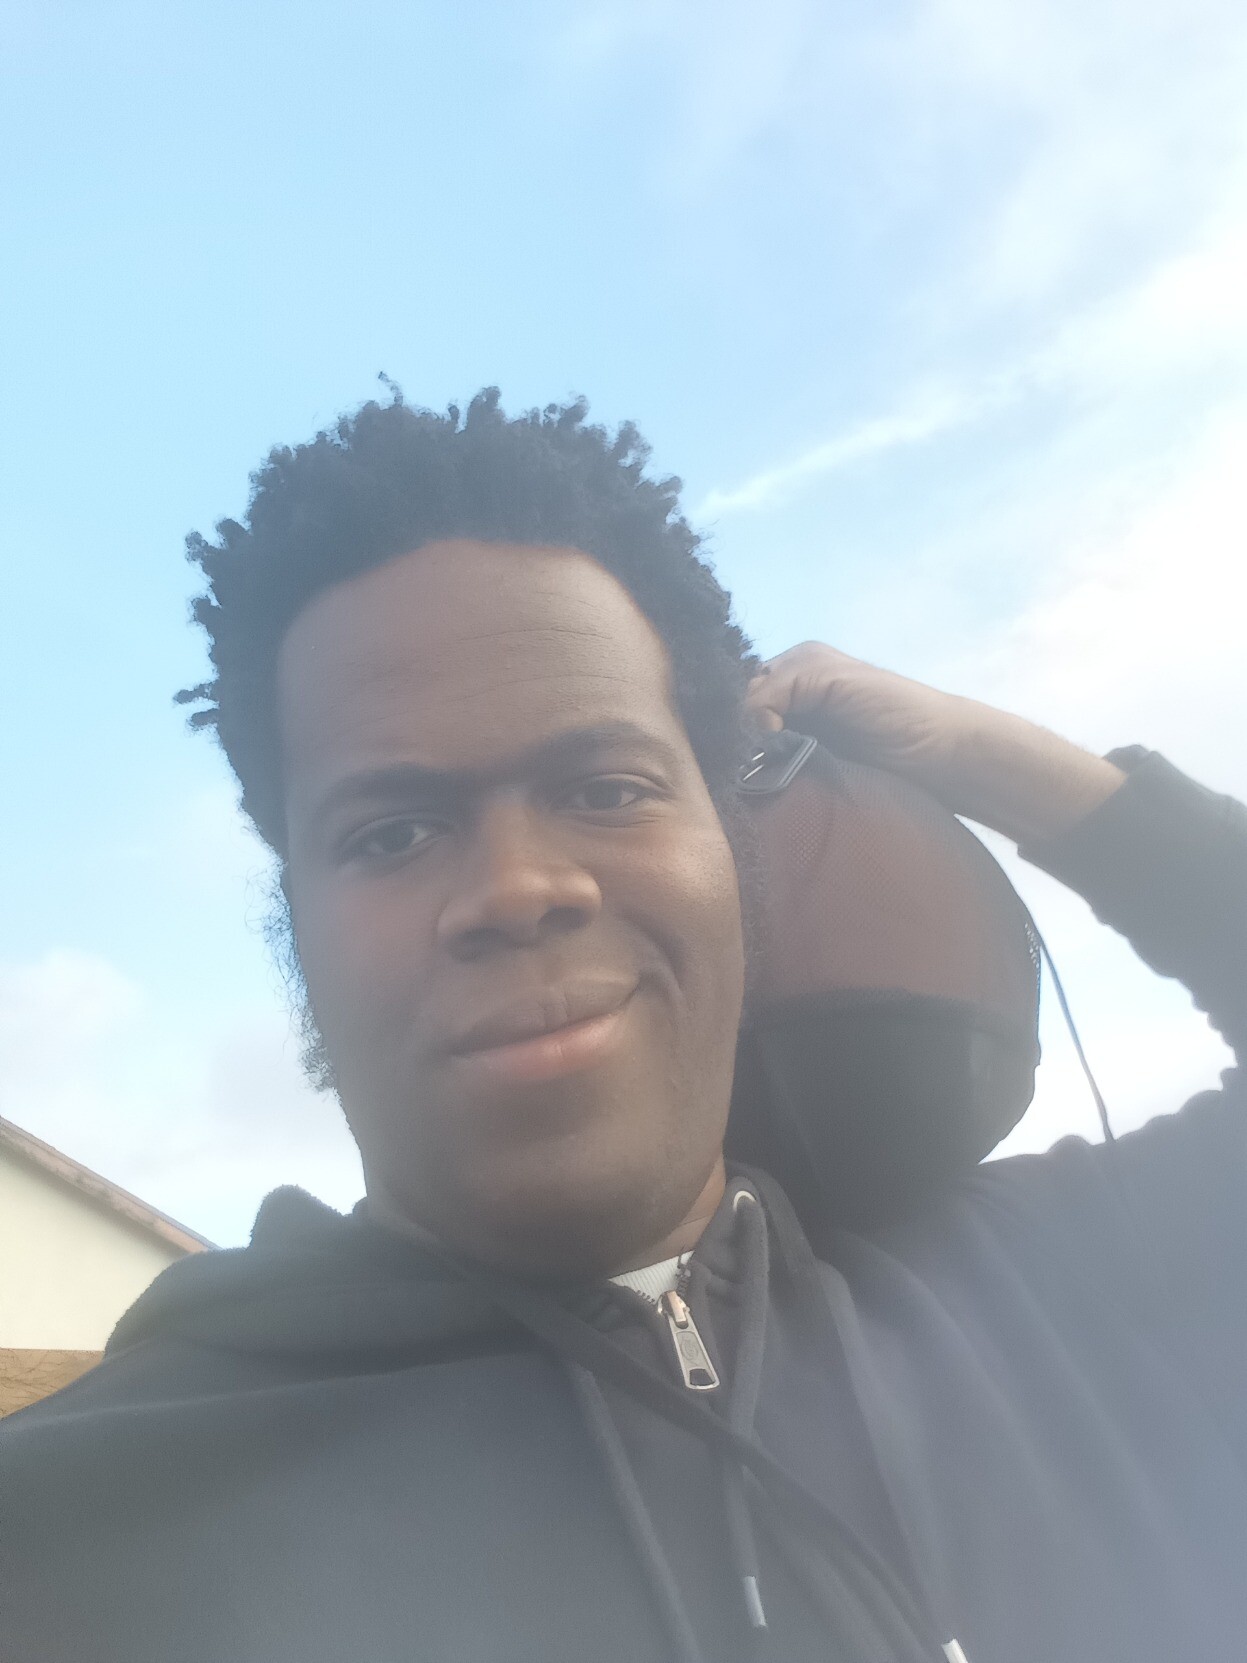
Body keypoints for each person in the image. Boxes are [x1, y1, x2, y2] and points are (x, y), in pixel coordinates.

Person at [1, 390, 1244, 1663]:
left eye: (606, 787)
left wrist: (997, 760)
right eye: (391, 832)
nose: (516, 888)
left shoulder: (1064, 1291)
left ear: (733, 856)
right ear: (295, 928)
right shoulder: (68, 1537)